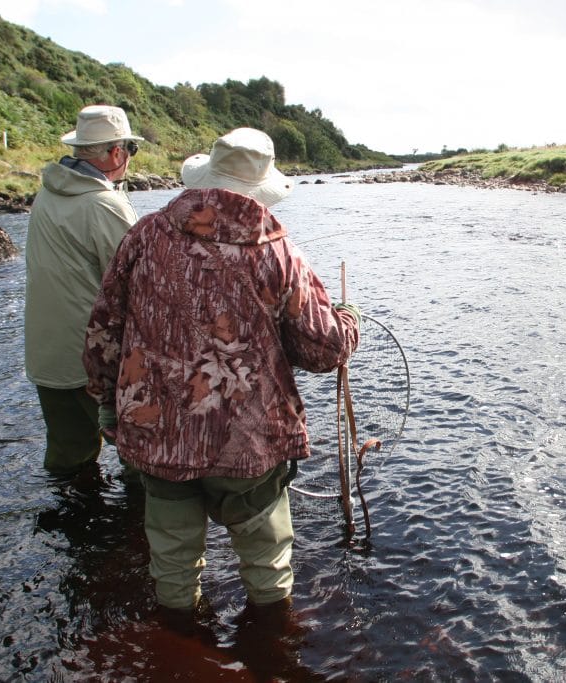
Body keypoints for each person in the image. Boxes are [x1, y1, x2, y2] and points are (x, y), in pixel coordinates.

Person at [82, 127, 360, 616]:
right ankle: (272, 648)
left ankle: (178, 645)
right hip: (250, 441)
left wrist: (107, 401)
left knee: (171, 562)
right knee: (267, 563)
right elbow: (323, 350)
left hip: (157, 431)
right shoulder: (280, 253)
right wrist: (349, 320)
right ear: (261, 188)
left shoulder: (144, 235)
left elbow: (105, 327)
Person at [24, 104, 143, 474]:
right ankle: (133, 531)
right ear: (115, 153)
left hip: (46, 354)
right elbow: (140, 285)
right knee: (140, 462)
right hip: (95, 362)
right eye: (129, 150)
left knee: (68, 461)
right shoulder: (106, 205)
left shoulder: (46, 193)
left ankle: (73, 530)